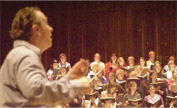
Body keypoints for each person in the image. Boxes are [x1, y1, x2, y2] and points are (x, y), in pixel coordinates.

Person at [0, 7, 90, 107]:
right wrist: (77, 85)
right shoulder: (25, 55)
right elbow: (37, 92)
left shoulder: (20, 54)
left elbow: (37, 94)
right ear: (36, 30)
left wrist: (70, 78)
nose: (50, 28)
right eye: (46, 23)